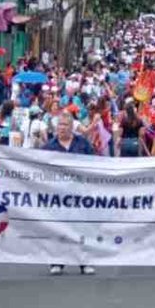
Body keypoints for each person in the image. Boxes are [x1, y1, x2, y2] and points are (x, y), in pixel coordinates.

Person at [44, 109, 96, 276]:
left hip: (80, 194)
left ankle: (84, 262)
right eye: (60, 125)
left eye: (66, 125)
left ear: (72, 127)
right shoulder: (48, 147)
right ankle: (57, 262)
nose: (62, 128)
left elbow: (95, 165)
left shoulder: (83, 144)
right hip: (57, 196)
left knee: (82, 228)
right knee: (58, 229)